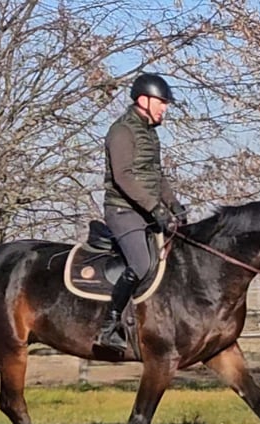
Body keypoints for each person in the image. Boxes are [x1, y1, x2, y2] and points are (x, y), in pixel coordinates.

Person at [94, 72, 187, 353]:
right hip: (123, 211)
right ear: (144, 100)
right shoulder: (122, 131)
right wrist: (154, 207)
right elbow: (123, 177)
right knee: (142, 263)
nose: (165, 108)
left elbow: (156, 176)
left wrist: (174, 206)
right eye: (162, 102)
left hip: (145, 211)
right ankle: (108, 327)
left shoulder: (149, 133)